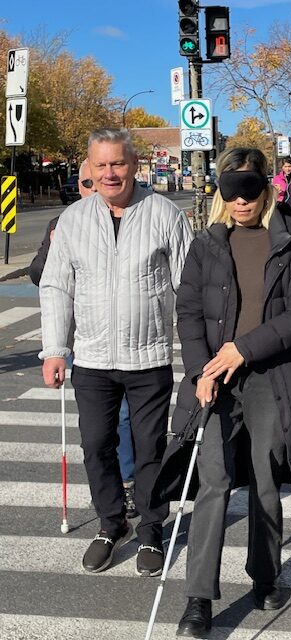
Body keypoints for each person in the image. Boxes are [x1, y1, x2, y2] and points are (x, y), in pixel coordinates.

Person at [154, 147, 291, 637]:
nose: (241, 201)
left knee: (263, 476)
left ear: (265, 189)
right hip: (216, 378)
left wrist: (243, 349)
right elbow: (188, 313)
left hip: (269, 377)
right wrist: (202, 370)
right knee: (213, 482)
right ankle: (198, 598)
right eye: (231, 190)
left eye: (249, 188)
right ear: (221, 193)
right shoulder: (206, 246)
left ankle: (264, 572)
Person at [38, 127, 193, 577]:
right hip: (91, 358)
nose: (110, 173)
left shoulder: (164, 213)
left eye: (118, 163)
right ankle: (111, 524)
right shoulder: (73, 220)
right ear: (90, 168)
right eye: (101, 165)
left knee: (149, 449)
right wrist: (55, 349)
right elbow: (56, 286)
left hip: (148, 358)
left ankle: (151, 528)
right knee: (95, 445)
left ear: (134, 165)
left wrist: (198, 354)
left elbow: (189, 286)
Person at [30, 159, 139, 520]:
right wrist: (52, 248)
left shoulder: (129, 218)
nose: (94, 188)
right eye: (86, 183)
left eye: (98, 181)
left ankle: (128, 481)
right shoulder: (63, 222)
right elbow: (39, 275)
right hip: (83, 338)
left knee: (124, 416)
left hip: (126, 337)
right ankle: (109, 489)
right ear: (78, 186)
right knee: (98, 426)